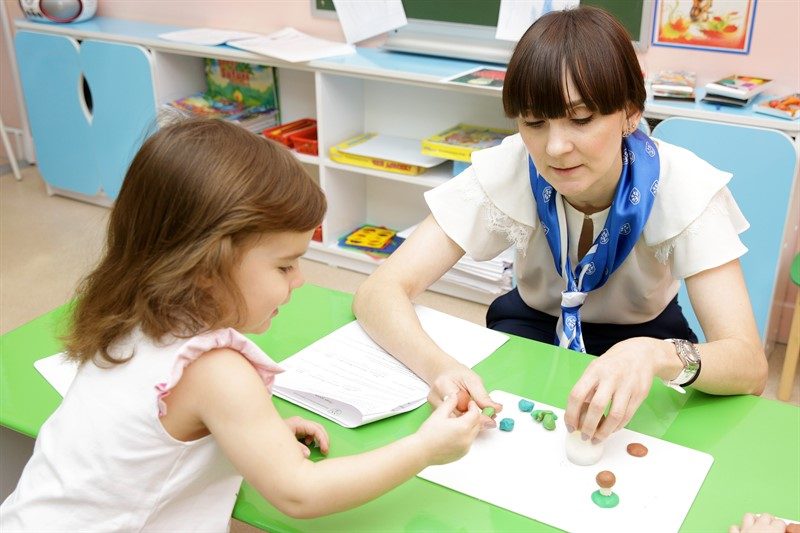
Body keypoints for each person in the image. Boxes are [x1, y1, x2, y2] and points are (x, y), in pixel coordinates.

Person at [0, 118, 483, 530]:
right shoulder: (216, 370)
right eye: (284, 266)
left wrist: (248, 434)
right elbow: (300, 493)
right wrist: (425, 448)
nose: (299, 280)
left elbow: (147, 433)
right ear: (206, 266)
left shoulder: (127, 313)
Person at [353, 6, 767, 444]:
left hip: (646, 337)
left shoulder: (684, 185)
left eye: (581, 119)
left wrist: (656, 355)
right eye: (534, 122)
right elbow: (379, 290)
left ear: (630, 112)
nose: (554, 148)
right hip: (534, 323)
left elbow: (750, 365)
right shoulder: (509, 166)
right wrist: (440, 369)